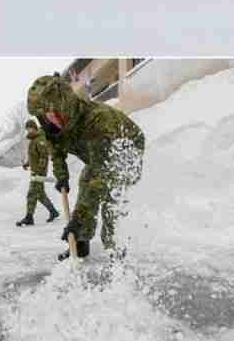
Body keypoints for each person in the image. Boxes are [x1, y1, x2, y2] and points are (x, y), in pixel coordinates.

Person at [26, 73, 146, 261]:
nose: (49, 121)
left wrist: (78, 219)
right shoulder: (53, 127)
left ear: (64, 107)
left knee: (110, 195)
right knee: (87, 181)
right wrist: (62, 176)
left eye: (51, 114)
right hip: (97, 156)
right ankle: (80, 244)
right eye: (43, 117)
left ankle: (115, 249)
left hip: (125, 150)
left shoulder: (98, 121)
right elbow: (56, 152)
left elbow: (100, 174)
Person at [15, 120, 59, 227]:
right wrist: (27, 164)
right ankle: (53, 211)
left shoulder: (40, 139)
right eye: (27, 129)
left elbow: (44, 156)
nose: (28, 130)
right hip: (35, 172)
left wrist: (39, 171)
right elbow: (34, 156)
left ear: (34, 128)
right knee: (39, 194)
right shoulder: (34, 140)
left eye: (30, 128)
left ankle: (29, 217)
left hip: (39, 173)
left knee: (31, 193)